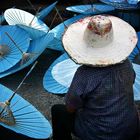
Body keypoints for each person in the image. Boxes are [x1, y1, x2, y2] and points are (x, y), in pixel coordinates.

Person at [51, 15, 140, 140]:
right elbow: (131, 81)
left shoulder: (84, 74)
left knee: (58, 111)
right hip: (129, 127)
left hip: (99, 133)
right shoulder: (127, 64)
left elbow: (71, 107)